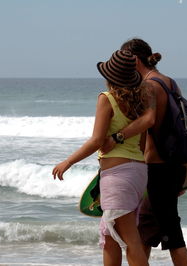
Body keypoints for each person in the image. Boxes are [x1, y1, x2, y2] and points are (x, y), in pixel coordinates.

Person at [52, 50, 149, 266]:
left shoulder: (107, 99)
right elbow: (143, 144)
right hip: (138, 173)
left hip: (117, 176)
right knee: (109, 237)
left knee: (131, 241)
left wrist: (68, 162)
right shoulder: (140, 102)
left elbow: (97, 140)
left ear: (109, 76)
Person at [101, 38, 187, 266]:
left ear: (134, 60)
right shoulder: (170, 83)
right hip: (172, 166)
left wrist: (117, 137)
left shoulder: (149, 85)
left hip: (157, 167)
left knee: (171, 235)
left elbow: (148, 120)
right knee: (145, 232)